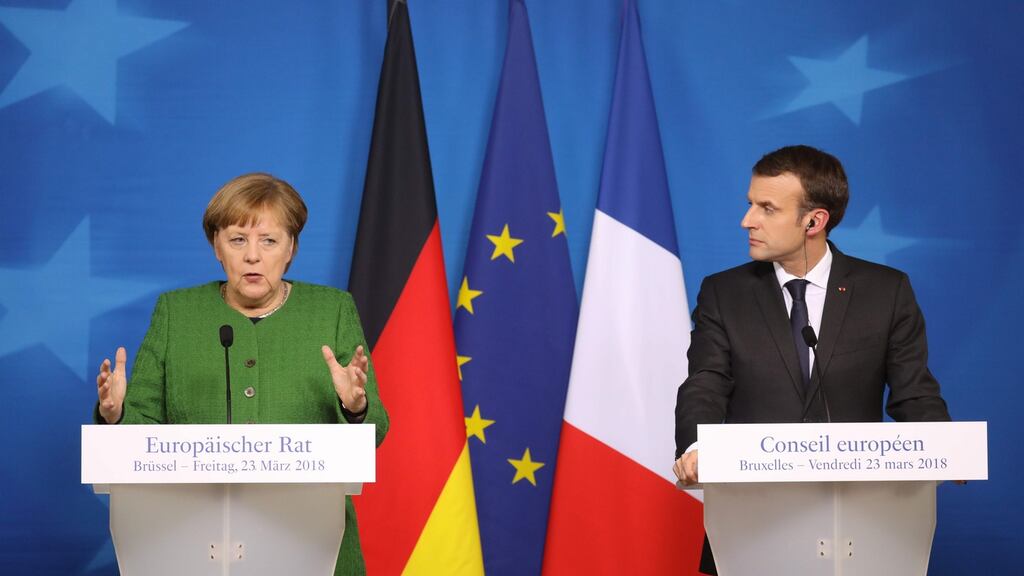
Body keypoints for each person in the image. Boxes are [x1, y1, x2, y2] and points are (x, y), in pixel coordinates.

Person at [672, 145, 950, 575]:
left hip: (861, 528)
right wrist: (695, 447)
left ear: (814, 221)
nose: (747, 220)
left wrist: (946, 450)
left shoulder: (886, 291)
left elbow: (914, 394)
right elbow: (705, 381)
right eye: (751, 204)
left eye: (767, 208)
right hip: (751, 525)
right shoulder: (724, 294)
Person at [93, 172, 389, 576]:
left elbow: (374, 434)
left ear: (291, 250)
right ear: (217, 246)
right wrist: (116, 415)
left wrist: (355, 408)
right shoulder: (176, 314)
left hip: (313, 546)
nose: (253, 255)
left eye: (269, 240)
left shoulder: (332, 311)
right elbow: (140, 435)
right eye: (237, 239)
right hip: (190, 546)